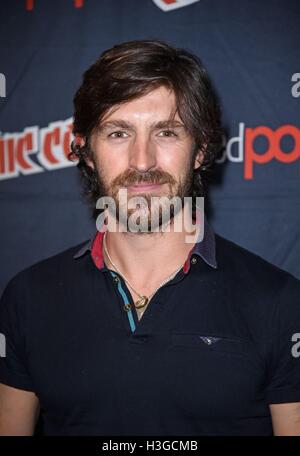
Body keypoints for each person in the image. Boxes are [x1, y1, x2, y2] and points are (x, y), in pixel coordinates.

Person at [0, 39, 300, 436]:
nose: (143, 161)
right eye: (119, 133)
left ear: (200, 149)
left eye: (167, 133)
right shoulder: (27, 298)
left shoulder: (279, 303)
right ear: (85, 149)